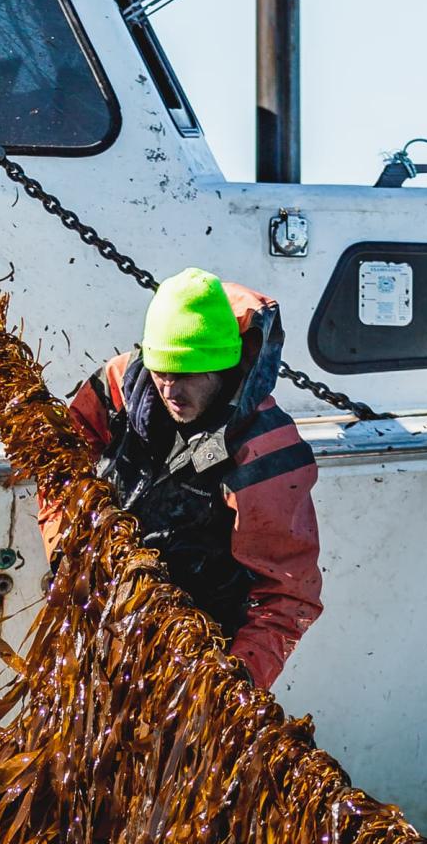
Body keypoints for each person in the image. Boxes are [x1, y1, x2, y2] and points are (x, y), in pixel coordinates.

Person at [45, 269, 322, 690]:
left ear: (224, 367)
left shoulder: (263, 451)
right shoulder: (119, 386)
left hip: (192, 659)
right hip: (100, 624)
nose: (171, 389)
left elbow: (288, 595)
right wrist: (62, 549)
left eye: (188, 374)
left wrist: (234, 682)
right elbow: (57, 470)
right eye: (163, 372)